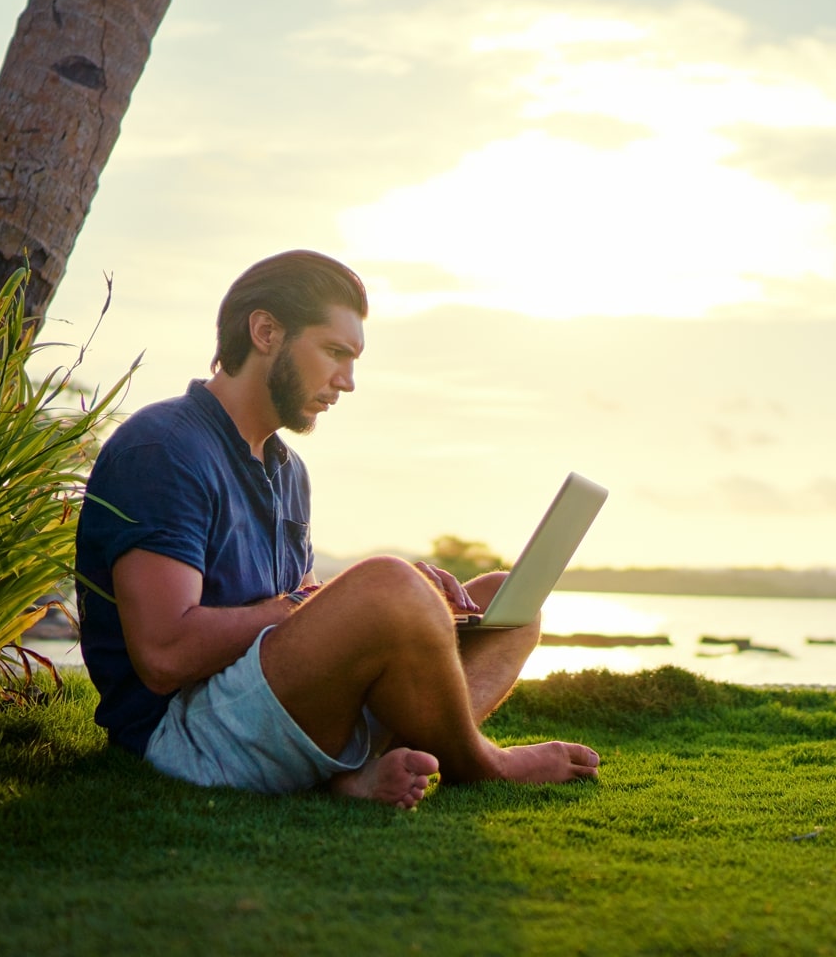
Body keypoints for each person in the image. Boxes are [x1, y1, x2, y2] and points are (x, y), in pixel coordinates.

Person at [74, 250, 600, 808]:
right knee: (388, 585)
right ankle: (483, 763)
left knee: (504, 605)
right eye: (334, 353)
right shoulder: (164, 449)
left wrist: (376, 607)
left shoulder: (286, 470)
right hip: (185, 734)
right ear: (266, 331)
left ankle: (352, 774)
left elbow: (297, 621)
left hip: (266, 699)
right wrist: (336, 603)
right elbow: (164, 657)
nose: (346, 382)